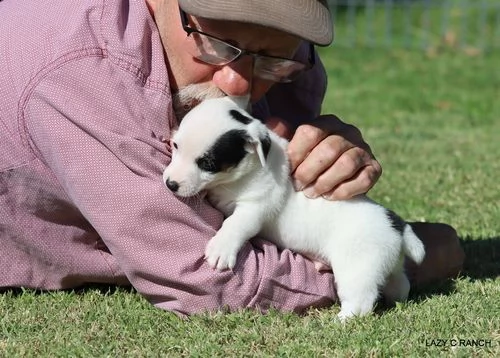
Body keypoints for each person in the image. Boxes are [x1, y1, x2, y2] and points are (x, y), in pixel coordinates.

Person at [0, 0, 464, 316]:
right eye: (221, 45)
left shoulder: (278, 55)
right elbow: (204, 276)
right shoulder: (84, 74)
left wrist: (319, 156)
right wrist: (390, 262)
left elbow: (271, 148)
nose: (239, 85)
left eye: (273, 59)